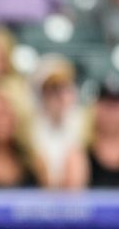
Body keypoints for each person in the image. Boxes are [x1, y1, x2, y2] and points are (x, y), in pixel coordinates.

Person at [32, 55, 83, 185]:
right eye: (53, 89)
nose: (60, 96)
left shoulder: (83, 122)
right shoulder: (31, 128)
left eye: (64, 87)